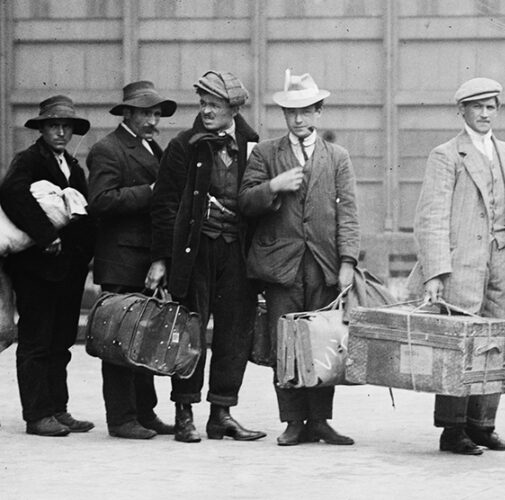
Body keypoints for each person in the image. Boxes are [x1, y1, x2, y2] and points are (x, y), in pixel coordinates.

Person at [409, 77, 505, 455]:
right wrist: (436, 272)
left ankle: (483, 425)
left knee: (497, 344)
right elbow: (431, 217)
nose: (485, 113)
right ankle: (453, 430)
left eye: (491, 107)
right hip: (461, 267)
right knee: (458, 346)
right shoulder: (446, 155)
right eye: (477, 107)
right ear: (462, 111)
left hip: (502, 261)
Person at [239, 69, 359, 447]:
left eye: (306, 111)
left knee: (324, 344)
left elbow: (349, 214)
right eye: (292, 112)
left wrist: (347, 262)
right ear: (284, 115)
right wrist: (272, 187)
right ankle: (293, 421)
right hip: (281, 267)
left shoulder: (337, 157)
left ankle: (320, 421)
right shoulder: (265, 153)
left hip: (323, 266)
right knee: (285, 344)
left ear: (319, 112)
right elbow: (243, 201)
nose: (299, 119)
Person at [148, 71, 265, 443]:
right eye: (203, 103)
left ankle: (222, 414)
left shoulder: (252, 145)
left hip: (237, 254)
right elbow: (165, 206)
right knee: (188, 332)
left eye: (214, 105)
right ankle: (184, 412)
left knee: (235, 333)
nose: (206, 111)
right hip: (194, 254)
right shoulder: (185, 145)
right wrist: (162, 258)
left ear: (233, 108)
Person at [86, 81, 177, 440]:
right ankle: (122, 419)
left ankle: (145, 412)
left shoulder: (152, 147)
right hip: (121, 261)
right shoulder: (107, 149)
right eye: (146, 113)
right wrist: (151, 193)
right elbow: (101, 201)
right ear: (128, 113)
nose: (154, 120)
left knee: (145, 339)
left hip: (145, 261)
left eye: (156, 114)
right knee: (119, 341)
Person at [0, 95, 96, 436]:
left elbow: (83, 212)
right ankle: (38, 414)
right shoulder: (28, 160)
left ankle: (59, 408)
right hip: (35, 269)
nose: (60, 131)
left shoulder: (72, 164)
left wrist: (84, 254)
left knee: (60, 342)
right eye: (53, 125)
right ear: (41, 129)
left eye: (66, 126)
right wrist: (44, 236)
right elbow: (11, 193)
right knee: (36, 341)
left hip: (68, 270)